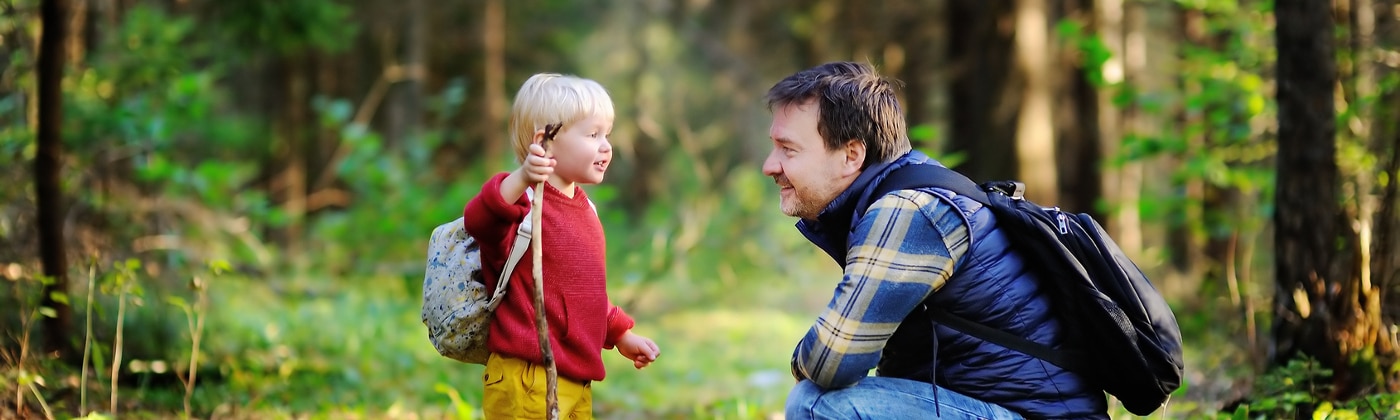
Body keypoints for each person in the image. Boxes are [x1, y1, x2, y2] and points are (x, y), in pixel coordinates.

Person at [763, 61, 1109, 419]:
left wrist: (804, 357)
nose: (769, 166)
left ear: (851, 155)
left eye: (788, 150)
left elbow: (830, 361)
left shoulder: (910, 211)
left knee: (816, 403)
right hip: (1004, 409)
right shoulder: (902, 194)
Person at [463, 73, 660, 419]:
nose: (606, 146)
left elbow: (584, 295)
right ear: (546, 141)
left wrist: (621, 333)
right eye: (593, 134)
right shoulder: (521, 207)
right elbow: (478, 221)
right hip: (525, 378)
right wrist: (522, 177)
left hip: (575, 380)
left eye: (607, 134)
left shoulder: (586, 210)